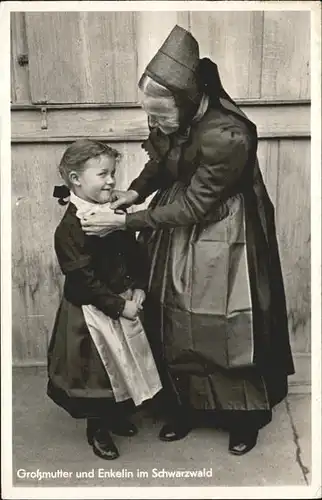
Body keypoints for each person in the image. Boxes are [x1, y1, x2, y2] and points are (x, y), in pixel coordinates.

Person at [81, 25, 295, 455]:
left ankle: (243, 416)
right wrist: (135, 192)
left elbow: (196, 207)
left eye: (160, 115)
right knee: (171, 317)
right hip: (174, 229)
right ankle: (186, 407)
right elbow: (160, 163)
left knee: (229, 325)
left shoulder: (229, 133)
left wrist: (126, 223)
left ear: (187, 99)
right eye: (152, 116)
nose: (155, 123)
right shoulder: (170, 117)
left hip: (224, 231)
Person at [47, 139, 162, 460]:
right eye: (102, 174)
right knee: (97, 372)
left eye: (113, 173)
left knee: (123, 361)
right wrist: (118, 305)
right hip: (91, 312)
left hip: (122, 300)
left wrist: (138, 287)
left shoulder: (115, 212)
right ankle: (97, 428)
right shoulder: (69, 229)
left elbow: (135, 254)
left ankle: (115, 415)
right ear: (75, 179)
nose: (112, 181)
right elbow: (83, 280)